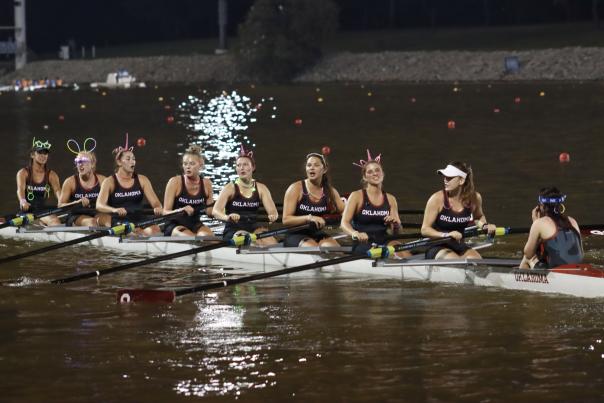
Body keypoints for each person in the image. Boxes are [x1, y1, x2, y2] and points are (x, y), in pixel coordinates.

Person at [340, 150, 411, 258]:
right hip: (363, 243)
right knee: (390, 254)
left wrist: (395, 224)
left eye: (377, 170)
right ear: (364, 177)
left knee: (400, 248)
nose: (374, 173)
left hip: (385, 240)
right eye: (370, 172)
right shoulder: (356, 196)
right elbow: (344, 223)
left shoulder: (391, 199)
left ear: (382, 173)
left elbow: (397, 232)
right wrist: (355, 233)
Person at [421, 161, 496, 259]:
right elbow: (425, 229)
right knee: (456, 263)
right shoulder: (436, 199)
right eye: (444, 176)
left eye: (450, 177)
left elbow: (478, 217)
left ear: (461, 180)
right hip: (437, 246)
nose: (445, 180)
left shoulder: (475, 198)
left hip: (458, 245)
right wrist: (446, 235)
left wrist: (485, 226)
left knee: (479, 263)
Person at [96, 134, 163, 236]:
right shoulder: (109, 181)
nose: (133, 162)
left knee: (155, 230)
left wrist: (158, 208)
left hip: (139, 217)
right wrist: (114, 210)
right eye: (128, 159)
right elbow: (99, 205)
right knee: (135, 233)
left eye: (134, 159)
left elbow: (156, 203)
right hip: (119, 219)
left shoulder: (142, 179)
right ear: (119, 162)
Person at [212, 145, 278, 246]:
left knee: (271, 242)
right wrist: (227, 217)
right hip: (234, 230)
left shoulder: (261, 188)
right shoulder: (230, 188)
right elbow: (215, 211)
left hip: (254, 229)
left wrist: (273, 216)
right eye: (238, 165)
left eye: (245, 165)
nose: (241, 168)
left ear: (253, 167)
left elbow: (273, 211)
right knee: (247, 239)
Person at [282, 152, 345, 247]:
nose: (311, 168)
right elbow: (286, 220)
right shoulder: (295, 188)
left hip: (316, 233)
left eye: (316, 165)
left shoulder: (330, 191)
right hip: (295, 234)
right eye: (309, 165)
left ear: (324, 169)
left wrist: (342, 222)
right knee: (312, 248)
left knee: (333, 249)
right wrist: (309, 218)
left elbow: (345, 212)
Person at [520, 187, 583, 269]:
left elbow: (528, 254)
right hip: (578, 269)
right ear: (560, 205)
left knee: (526, 259)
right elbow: (581, 253)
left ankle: (517, 281)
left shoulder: (539, 223)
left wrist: (534, 222)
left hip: (557, 273)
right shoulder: (573, 221)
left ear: (541, 206)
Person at [163, 145, 214, 237]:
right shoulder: (175, 182)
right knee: (190, 237)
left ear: (200, 165)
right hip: (174, 225)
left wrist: (220, 208)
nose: (188, 167)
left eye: (192, 164)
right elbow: (165, 212)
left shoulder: (207, 184)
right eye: (185, 164)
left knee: (209, 238)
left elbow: (209, 212)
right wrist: (181, 210)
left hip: (195, 224)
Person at [58, 138, 109, 227]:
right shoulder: (70, 182)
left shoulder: (102, 180)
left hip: (96, 213)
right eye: (78, 161)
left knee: (109, 221)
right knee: (92, 222)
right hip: (76, 215)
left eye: (84, 160)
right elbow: (60, 205)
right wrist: (76, 202)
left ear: (92, 164)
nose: (80, 164)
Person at [16, 137, 62, 226]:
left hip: (42, 211)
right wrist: (23, 201)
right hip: (27, 211)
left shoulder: (52, 175)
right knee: (41, 224)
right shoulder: (23, 173)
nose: (43, 156)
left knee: (54, 221)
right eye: (40, 152)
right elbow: (20, 190)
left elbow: (58, 191)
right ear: (32, 155)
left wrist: (62, 202)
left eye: (45, 153)